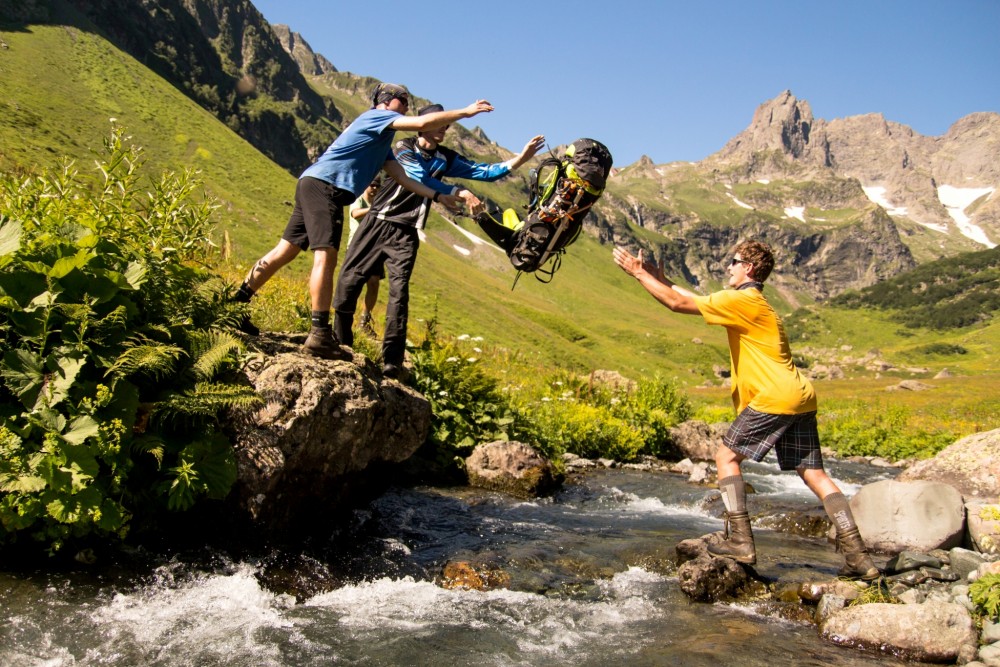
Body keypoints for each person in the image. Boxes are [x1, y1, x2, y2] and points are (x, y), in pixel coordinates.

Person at [612, 240, 879, 580]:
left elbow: (678, 303)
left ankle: (740, 540)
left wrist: (638, 274)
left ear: (749, 268)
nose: (729, 267)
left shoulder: (742, 299)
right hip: (800, 395)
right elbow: (694, 299)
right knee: (814, 474)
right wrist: (658, 278)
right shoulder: (752, 301)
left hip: (774, 397)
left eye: (734, 262)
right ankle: (859, 558)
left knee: (725, 457)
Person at [232, 83, 494, 359]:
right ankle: (319, 333)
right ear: (388, 101)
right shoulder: (376, 117)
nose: (406, 107)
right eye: (403, 101)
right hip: (326, 187)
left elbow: (404, 178)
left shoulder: (381, 143)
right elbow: (423, 122)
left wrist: (439, 197)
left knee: (285, 250)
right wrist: (464, 112)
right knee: (326, 255)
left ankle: (235, 304)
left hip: (312, 182)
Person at [333, 103, 545, 378]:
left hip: (407, 232)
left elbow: (485, 171)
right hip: (377, 222)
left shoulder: (445, 157)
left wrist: (521, 158)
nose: (444, 128)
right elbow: (416, 176)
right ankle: (341, 341)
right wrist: (457, 191)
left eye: (446, 125)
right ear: (424, 123)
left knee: (399, 295)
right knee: (350, 279)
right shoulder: (402, 147)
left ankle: (392, 362)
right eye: (440, 123)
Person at [347, 176, 383, 339]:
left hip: (374, 248)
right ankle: (345, 315)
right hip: (358, 246)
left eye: (377, 186)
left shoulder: (379, 204)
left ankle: (365, 320)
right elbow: (355, 214)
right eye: (372, 184)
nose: (374, 188)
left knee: (374, 283)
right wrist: (374, 209)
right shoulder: (359, 200)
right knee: (355, 282)